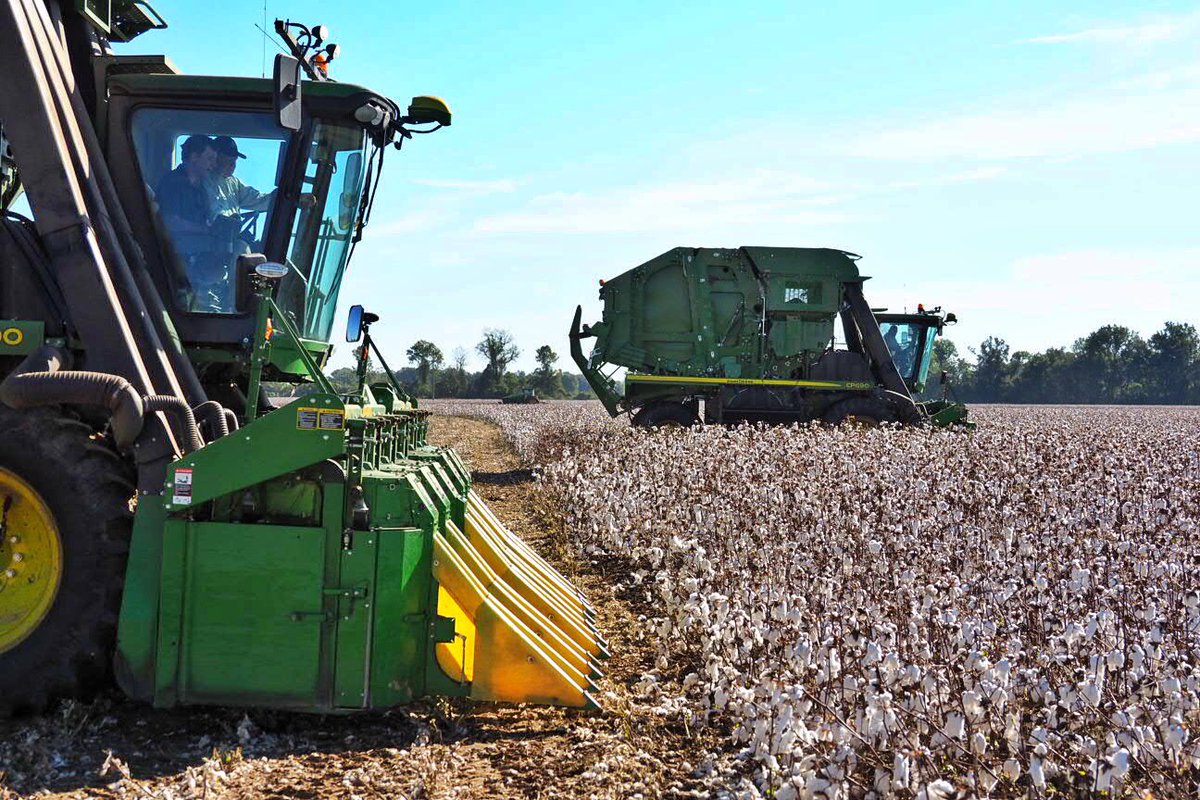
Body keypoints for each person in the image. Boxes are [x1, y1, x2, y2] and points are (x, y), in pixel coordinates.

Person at [206, 135, 274, 221]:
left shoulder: (234, 183)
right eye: (228, 161)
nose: (233, 166)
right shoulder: (203, 180)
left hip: (231, 232)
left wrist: (279, 196)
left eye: (234, 161)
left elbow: (258, 200)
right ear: (215, 158)